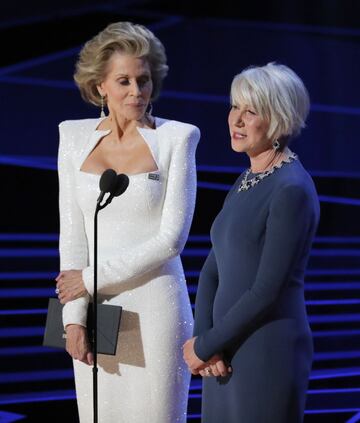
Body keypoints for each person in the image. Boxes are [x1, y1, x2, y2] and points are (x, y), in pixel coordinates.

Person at [55, 21, 200, 422]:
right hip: (95, 313)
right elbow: (73, 239)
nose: (136, 92)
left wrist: (88, 278)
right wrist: (72, 319)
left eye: (144, 81)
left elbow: (171, 240)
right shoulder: (73, 138)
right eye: (124, 81)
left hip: (156, 309)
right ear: (100, 85)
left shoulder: (177, 139)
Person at [183, 62, 320, 422]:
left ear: (278, 120)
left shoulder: (291, 190)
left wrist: (206, 344)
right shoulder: (248, 179)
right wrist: (205, 342)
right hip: (222, 355)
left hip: (266, 352)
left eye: (251, 111)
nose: (237, 120)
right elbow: (213, 269)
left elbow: (267, 290)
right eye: (234, 107)